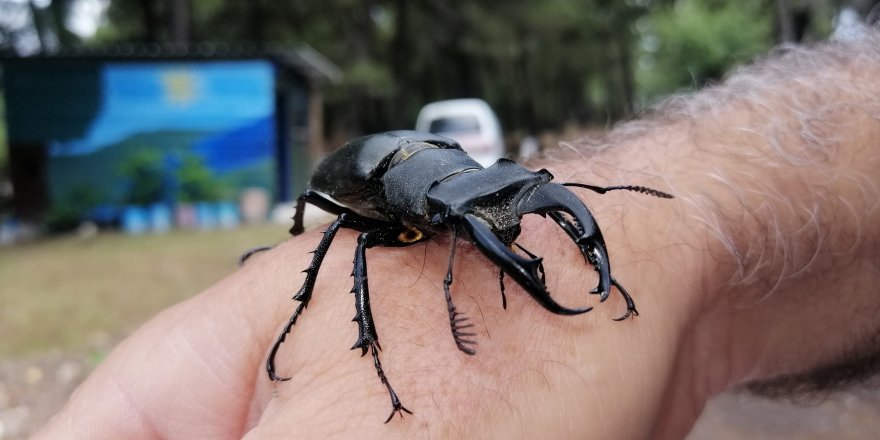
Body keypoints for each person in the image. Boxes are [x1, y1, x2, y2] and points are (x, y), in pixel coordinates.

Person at [35, 29, 880, 439]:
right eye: (459, 213)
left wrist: (636, 250)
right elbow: (343, 231)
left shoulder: (449, 163)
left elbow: (495, 183)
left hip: (420, 165)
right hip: (363, 182)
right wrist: (336, 324)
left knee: (490, 202)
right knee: (342, 240)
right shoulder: (386, 215)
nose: (488, 216)